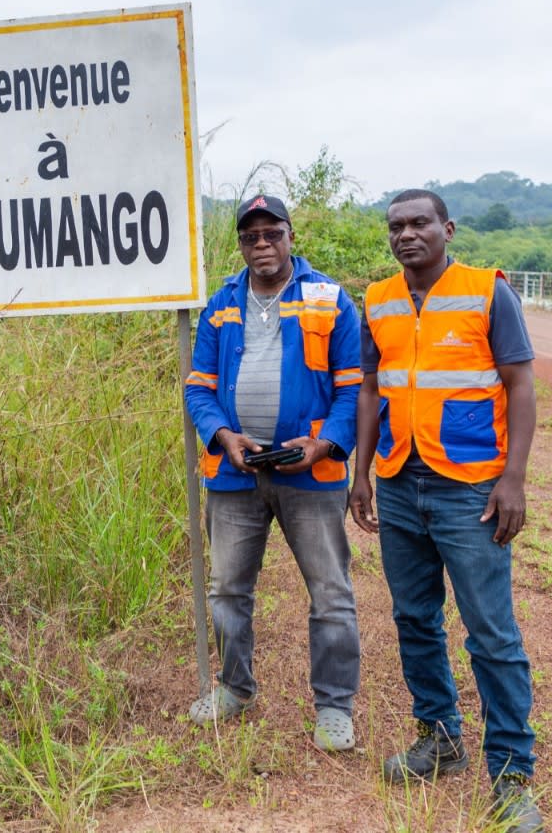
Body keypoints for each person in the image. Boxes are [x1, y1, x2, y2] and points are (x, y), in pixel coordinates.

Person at [349, 189, 542, 831]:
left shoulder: (488, 292)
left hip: (470, 489)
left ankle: (511, 775)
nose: (406, 234)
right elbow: (371, 389)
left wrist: (513, 478)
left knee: (491, 632)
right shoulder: (377, 299)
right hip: (399, 480)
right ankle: (440, 737)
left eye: (419, 223)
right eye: (395, 226)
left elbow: (520, 384)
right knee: (414, 617)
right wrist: (361, 475)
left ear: (447, 229)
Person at [184, 193, 362, 752]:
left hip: (311, 473)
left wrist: (325, 444)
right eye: (250, 236)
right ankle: (235, 688)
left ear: (290, 237)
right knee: (227, 590)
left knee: (330, 592)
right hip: (235, 475)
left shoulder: (329, 300)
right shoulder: (221, 305)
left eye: (272, 234)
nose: (261, 244)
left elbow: (354, 390)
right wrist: (223, 435)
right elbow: (199, 388)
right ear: (240, 244)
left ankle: (334, 707)